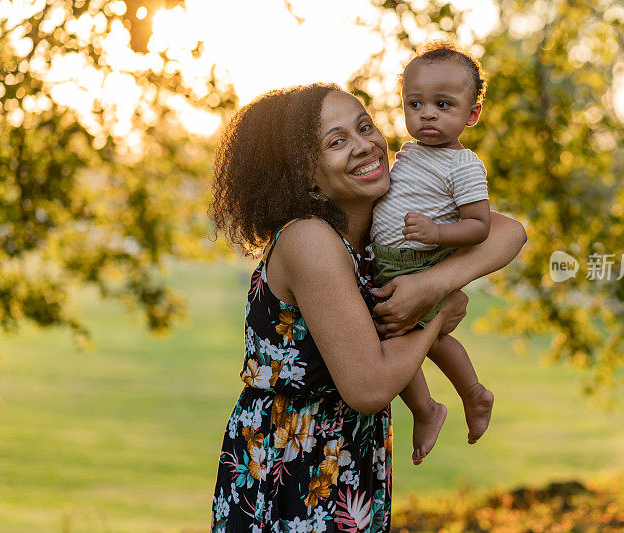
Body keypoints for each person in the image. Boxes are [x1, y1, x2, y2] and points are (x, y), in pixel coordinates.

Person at [208, 83, 527, 532]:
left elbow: (509, 231)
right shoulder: (309, 239)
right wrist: (436, 317)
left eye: (365, 127)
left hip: (351, 457)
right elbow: (369, 386)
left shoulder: (383, 228)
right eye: (336, 142)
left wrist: (430, 285)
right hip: (294, 464)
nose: (364, 146)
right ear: (305, 174)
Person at [370, 41, 493, 465]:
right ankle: (459, 399)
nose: (427, 113)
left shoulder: (464, 165)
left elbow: (480, 227)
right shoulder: (409, 152)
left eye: (443, 104)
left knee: (403, 343)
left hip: (419, 263)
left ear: (471, 115)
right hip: (387, 264)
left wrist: (438, 232)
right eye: (415, 103)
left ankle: (442, 405)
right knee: (428, 341)